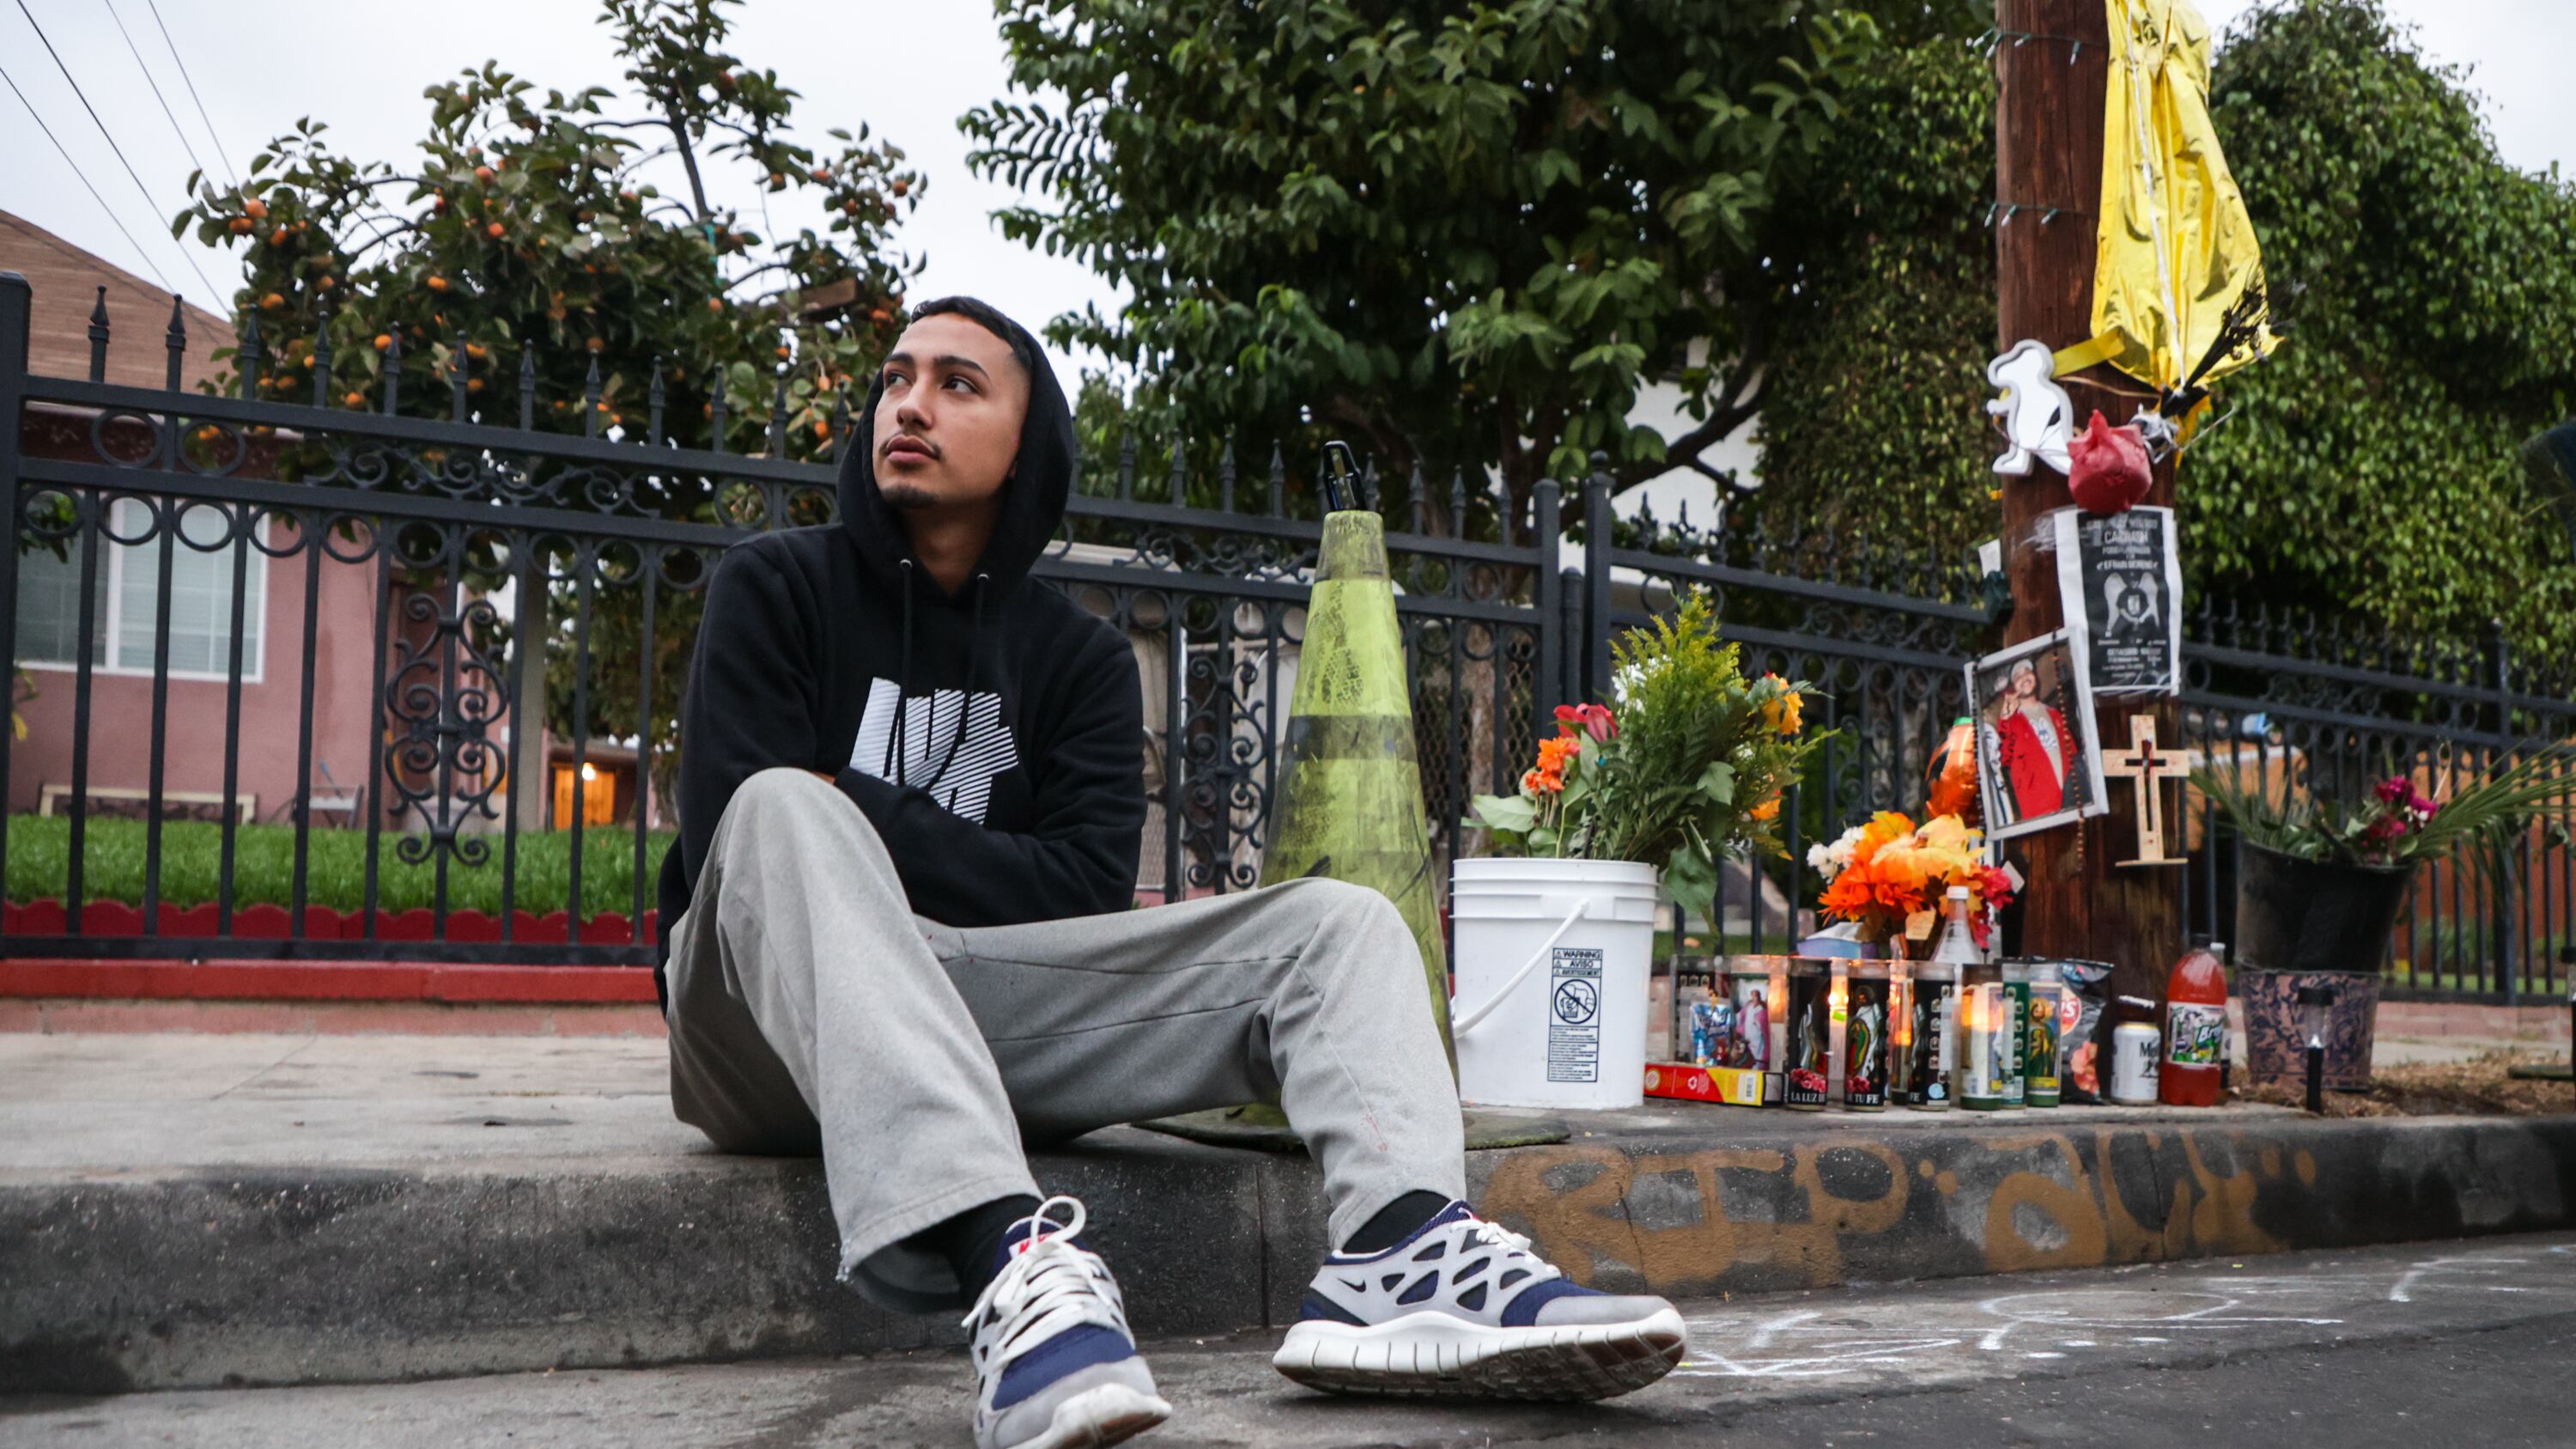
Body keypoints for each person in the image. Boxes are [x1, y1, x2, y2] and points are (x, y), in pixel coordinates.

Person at [653, 297, 1686, 1449]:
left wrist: (866, 803)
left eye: (957, 382)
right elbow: (724, 842)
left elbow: (1080, 891)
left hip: (978, 1001)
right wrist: (835, 810)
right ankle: (1012, 1258)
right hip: (755, 1025)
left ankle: (1402, 1250)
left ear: (1027, 437)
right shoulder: (774, 587)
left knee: (1338, 924)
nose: (909, 402)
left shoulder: (1081, 659)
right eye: (897, 378)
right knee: (782, 805)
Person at [1985, 656, 2072, 822]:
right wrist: (2005, 719)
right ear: (2013, 688)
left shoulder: (2054, 714)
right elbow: (2003, 758)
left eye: (2027, 672)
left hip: (2069, 800)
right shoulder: (2012, 721)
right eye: (2018, 676)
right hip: (2039, 809)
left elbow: (2072, 753)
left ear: (2035, 678)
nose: (2024, 677)